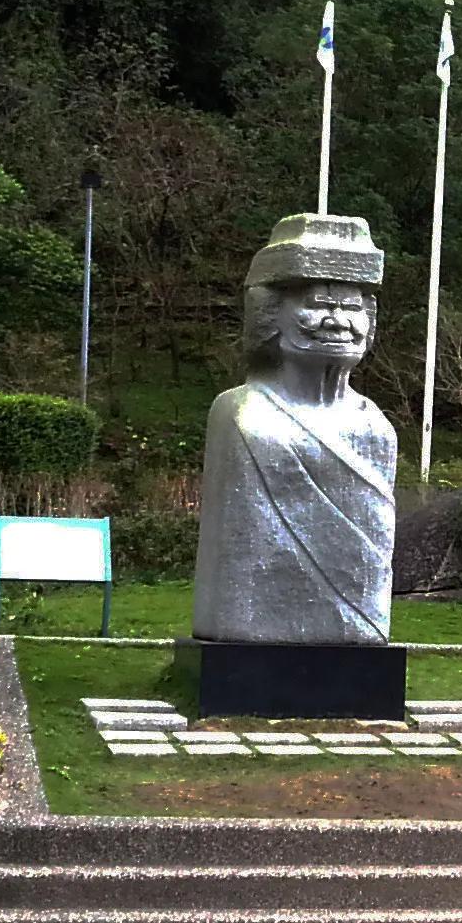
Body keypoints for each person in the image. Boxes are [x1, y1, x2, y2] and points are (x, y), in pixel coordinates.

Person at [192, 211, 397, 647]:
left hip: (356, 640)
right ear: (270, 312)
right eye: (318, 305)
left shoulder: (376, 428)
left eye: (352, 307)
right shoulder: (243, 415)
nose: (338, 321)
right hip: (245, 635)